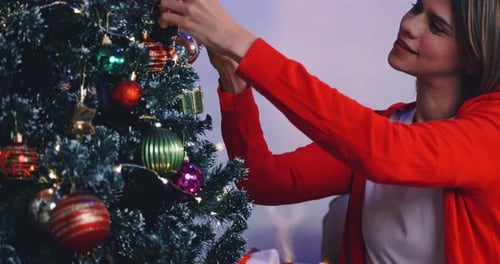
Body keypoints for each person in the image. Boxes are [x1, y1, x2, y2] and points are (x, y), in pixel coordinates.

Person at [158, 0, 500, 263]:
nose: (410, 25)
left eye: (436, 26)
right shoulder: (385, 131)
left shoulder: (490, 131)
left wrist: (239, 43)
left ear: (473, 55)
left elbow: (387, 153)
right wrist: (235, 85)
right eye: (416, 7)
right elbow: (263, 180)